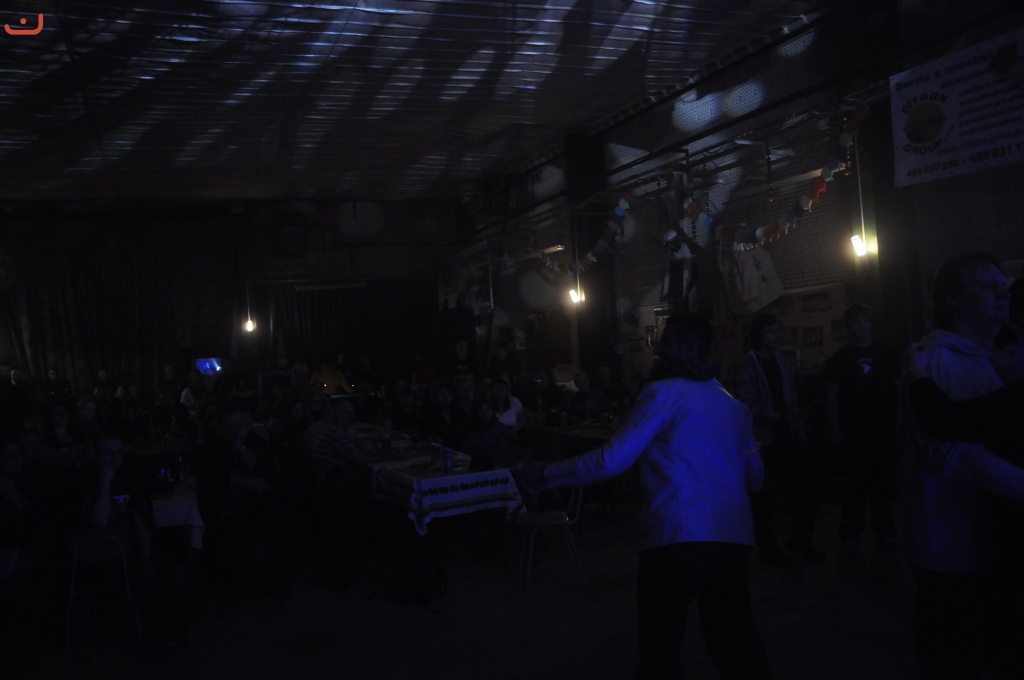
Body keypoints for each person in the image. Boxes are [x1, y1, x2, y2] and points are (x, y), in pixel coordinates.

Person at [519, 313, 772, 679]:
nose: (656, 351)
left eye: (663, 343)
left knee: (660, 652)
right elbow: (757, 480)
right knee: (736, 647)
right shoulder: (734, 406)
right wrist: (748, 442)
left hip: (677, 537)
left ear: (678, 349)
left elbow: (611, 460)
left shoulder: (662, 393)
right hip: (732, 538)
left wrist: (545, 474)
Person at [899, 253, 1024, 680]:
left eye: (1003, 285)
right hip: (951, 544)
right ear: (952, 298)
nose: (1002, 293)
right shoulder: (938, 360)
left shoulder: (988, 358)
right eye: (987, 285)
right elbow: (953, 447)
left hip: (983, 543)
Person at [735, 314, 824, 563]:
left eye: (777, 331)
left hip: (784, 433)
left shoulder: (780, 360)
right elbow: (748, 405)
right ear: (759, 335)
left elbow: (787, 397)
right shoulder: (749, 365)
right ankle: (773, 546)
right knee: (766, 494)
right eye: (771, 332)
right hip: (765, 437)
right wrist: (780, 416)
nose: (776, 336)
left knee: (810, 480)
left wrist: (793, 420)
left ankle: (794, 540)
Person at [823, 303, 901, 553]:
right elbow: (832, 395)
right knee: (854, 485)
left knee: (881, 482)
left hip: (882, 428)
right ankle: (853, 531)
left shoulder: (887, 354)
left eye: (864, 320)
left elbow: (899, 391)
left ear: (871, 323)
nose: (860, 326)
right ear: (848, 327)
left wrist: (900, 425)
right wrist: (835, 429)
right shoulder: (840, 359)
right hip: (853, 430)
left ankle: (882, 529)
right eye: (855, 322)